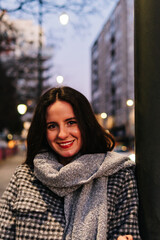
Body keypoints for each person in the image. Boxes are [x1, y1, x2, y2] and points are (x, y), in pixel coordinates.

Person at [0, 86, 141, 240]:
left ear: (85, 124)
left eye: (71, 122)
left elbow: (128, 233)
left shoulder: (119, 176)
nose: (62, 134)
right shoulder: (24, 176)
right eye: (52, 126)